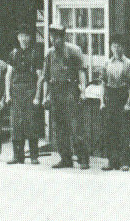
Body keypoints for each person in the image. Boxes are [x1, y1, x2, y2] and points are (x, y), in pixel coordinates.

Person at [34, 24, 90, 169]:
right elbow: (46, 77)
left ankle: (83, 158)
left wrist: (83, 91)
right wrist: (46, 96)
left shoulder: (73, 51)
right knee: (59, 128)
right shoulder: (49, 53)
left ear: (63, 37)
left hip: (70, 91)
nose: (54, 40)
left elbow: (81, 72)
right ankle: (65, 158)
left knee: (76, 127)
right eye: (52, 37)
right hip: (55, 92)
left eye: (57, 37)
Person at [5, 26, 42, 164]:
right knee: (16, 124)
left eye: (26, 36)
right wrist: (7, 94)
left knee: (31, 124)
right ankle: (17, 156)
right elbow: (8, 75)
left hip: (30, 92)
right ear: (18, 38)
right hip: (15, 92)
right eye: (21, 36)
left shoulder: (35, 53)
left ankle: (33, 156)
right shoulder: (13, 54)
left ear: (30, 38)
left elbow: (40, 76)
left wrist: (38, 96)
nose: (23, 39)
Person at [100, 34, 130, 171]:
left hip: (122, 96)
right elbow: (103, 83)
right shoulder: (107, 63)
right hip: (110, 97)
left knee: (123, 130)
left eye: (119, 46)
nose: (116, 49)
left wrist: (128, 102)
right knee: (110, 130)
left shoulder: (129, 64)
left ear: (123, 48)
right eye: (114, 46)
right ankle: (111, 160)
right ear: (110, 47)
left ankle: (123, 161)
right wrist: (101, 101)